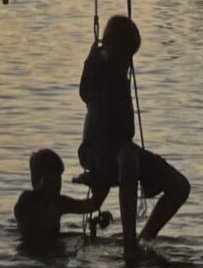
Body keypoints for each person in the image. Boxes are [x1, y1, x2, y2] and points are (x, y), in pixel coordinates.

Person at [77, 15, 191, 242]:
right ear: (110, 49)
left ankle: (145, 237)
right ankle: (129, 243)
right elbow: (85, 93)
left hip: (123, 149)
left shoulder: (122, 77)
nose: (128, 63)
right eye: (125, 55)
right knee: (128, 158)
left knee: (180, 186)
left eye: (131, 56)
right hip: (97, 151)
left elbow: (126, 131)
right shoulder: (99, 70)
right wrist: (92, 60)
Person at [13, 147, 103, 248]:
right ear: (37, 179)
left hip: (52, 245)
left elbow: (91, 205)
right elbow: (20, 212)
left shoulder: (59, 202)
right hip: (31, 250)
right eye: (52, 179)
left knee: (84, 237)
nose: (58, 184)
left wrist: (100, 184)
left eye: (59, 178)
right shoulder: (27, 199)